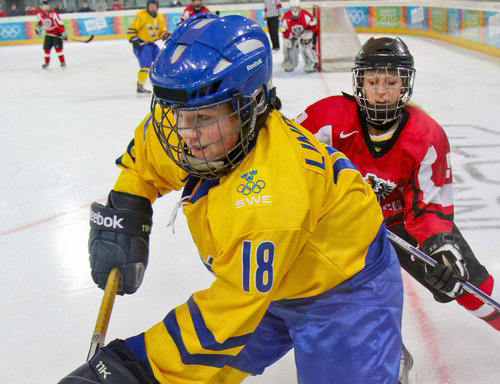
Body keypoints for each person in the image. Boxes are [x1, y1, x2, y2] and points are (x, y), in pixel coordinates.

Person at [58, 14, 404, 384]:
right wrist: (127, 205)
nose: (185, 134)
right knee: (198, 373)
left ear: (252, 105)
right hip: (270, 279)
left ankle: (381, 355)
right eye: (178, 115)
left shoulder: (273, 195)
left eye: (203, 118)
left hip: (344, 291)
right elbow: (146, 159)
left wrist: (136, 367)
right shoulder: (202, 121)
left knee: (196, 353)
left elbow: (227, 314)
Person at [296, 36, 500, 382]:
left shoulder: (425, 134)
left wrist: (440, 247)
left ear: (405, 84)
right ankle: (388, 352)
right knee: (339, 298)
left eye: (391, 83)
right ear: (359, 82)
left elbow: (430, 207)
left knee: (461, 279)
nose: (380, 91)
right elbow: (288, 167)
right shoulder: (324, 119)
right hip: (344, 226)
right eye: (373, 81)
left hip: (401, 221)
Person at [127, 0, 168, 95]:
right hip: (143, 45)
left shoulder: (160, 17)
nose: (152, 8)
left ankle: (164, 85)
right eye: (151, 6)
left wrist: (164, 35)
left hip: (152, 45)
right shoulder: (141, 15)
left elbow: (162, 30)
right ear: (147, 6)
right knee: (146, 66)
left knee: (162, 62)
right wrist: (133, 38)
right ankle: (140, 86)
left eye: (154, 6)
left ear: (157, 7)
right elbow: (133, 28)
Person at [281, 0, 318, 73]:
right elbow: (285, 31)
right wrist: (287, 39)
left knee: (305, 46)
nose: (295, 10)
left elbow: (313, 25)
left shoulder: (305, 14)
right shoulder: (286, 17)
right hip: (293, 38)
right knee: (288, 46)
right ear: (290, 8)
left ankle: (312, 63)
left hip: (303, 37)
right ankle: (290, 63)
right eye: (293, 8)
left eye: (296, 8)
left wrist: (308, 33)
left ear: (299, 8)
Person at [36, 0, 67, 69]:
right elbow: (40, 23)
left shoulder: (54, 14)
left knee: (58, 49)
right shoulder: (40, 15)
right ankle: (46, 63)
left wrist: (63, 32)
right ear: (42, 7)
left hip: (56, 34)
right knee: (46, 49)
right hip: (48, 34)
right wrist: (38, 29)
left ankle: (62, 62)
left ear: (49, 6)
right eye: (44, 6)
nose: (46, 7)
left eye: (47, 6)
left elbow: (59, 23)